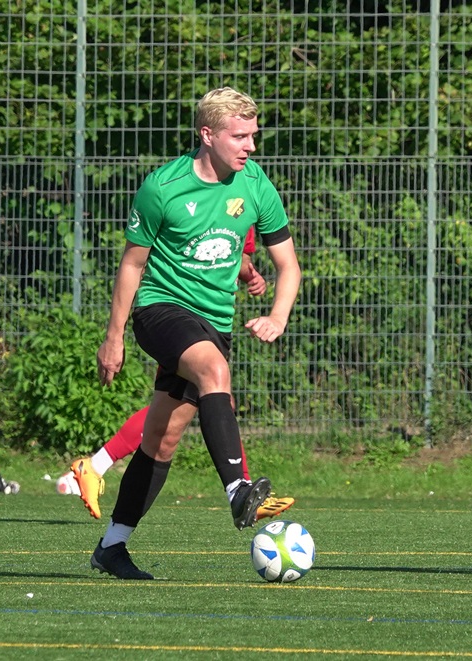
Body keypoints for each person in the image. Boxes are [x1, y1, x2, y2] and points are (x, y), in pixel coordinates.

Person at [91, 86, 302, 579]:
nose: (250, 146)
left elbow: (288, 266)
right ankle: (237, 489)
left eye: (253, 135)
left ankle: (111, 547)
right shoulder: (163, 187)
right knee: (214, 370)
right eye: (240, 136)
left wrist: (278, 316)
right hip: (161, 310)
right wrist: (114, 337)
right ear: (207, 135)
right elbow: (132, 265)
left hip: (214, 322)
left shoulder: (255, 185)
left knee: (161, 440)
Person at [56, 232, 293, 522]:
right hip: (178, 316)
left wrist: (249, 274)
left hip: (209, 322)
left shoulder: (247, 207)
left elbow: (235, 257)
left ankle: (98, 474)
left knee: (179, 412)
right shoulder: (213, 203)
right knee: (206, 394)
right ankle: (242, 490)